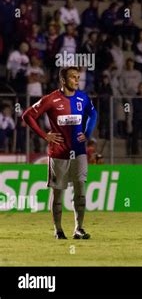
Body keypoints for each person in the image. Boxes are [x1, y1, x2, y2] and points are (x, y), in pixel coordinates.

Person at [22, 66, 97, 239]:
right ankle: (58, 230)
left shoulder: (83, 98)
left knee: (80, 190)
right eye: (73, 77)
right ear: (63, 80)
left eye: (78, 77)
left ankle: (79, 229)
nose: (77, 80)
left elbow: (93, 114)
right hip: (58, 153)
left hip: (79, 152)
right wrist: (45, 135)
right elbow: (27, 115)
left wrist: (87, 133)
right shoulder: (51, 99)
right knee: (58, 193)